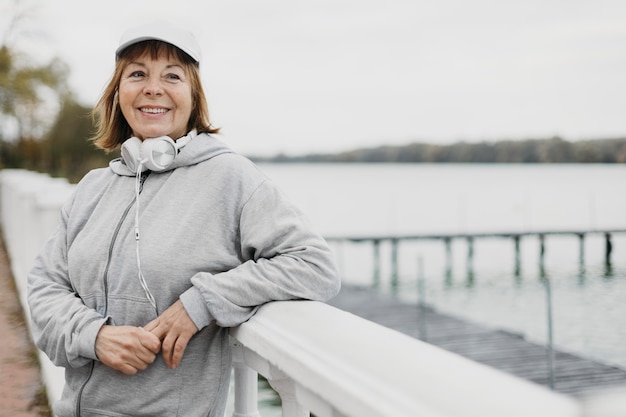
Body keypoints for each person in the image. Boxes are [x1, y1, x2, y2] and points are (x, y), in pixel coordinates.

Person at [27, 21, 340, 417]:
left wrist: (203, 302)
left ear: (193, 96)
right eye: (137, 73)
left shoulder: (230, 178)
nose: (152, 87)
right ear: (118, 93)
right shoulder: (92, 188)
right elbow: (44, 285)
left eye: (172, 76)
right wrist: (94, 336)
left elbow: (315, 265)